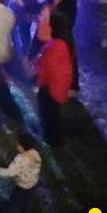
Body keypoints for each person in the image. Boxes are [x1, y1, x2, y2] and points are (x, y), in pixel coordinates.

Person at [0, 133, 42, 213]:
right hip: (32, 184)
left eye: (18, 144)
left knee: (12, 208)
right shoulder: (35, 154)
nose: (16, 145)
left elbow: (10, 172)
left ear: (22, 147)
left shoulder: (20, 159)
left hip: (22, 187)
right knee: (26, 205)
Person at [35, 10, 74, 145]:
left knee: (49, 115)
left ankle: (52, 139)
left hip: (50, 89)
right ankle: (55, 137)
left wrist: (39, 84)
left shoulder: (54, 46)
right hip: (59, 87)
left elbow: (47, 70)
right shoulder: (66, 42)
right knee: (54, 114)